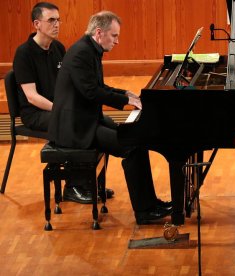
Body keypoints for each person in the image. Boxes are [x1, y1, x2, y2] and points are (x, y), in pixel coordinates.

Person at [48, 10, 172, 224]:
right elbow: (91, 92)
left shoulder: (90, 49)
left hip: (88, 119)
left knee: (136, 139)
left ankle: (151, 204)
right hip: (76, 128)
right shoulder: (81, 53)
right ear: (99, 32)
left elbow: (98, 87)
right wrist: (124, 102)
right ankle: (144, 212)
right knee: (132, 146)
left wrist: (125, 94)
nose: (117, 41)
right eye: (114, 36)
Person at [12, 2, 114, 204]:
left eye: (58, 20)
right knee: (77, 123)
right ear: (36, 24)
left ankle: (92, 183)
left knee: (103, 120)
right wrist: (65, 110)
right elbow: (31, 96)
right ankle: (73, 187)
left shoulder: (59, 48)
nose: (57, 24)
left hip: (61, 107)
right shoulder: (24, 53)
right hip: (36, 112)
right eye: (51, 20)